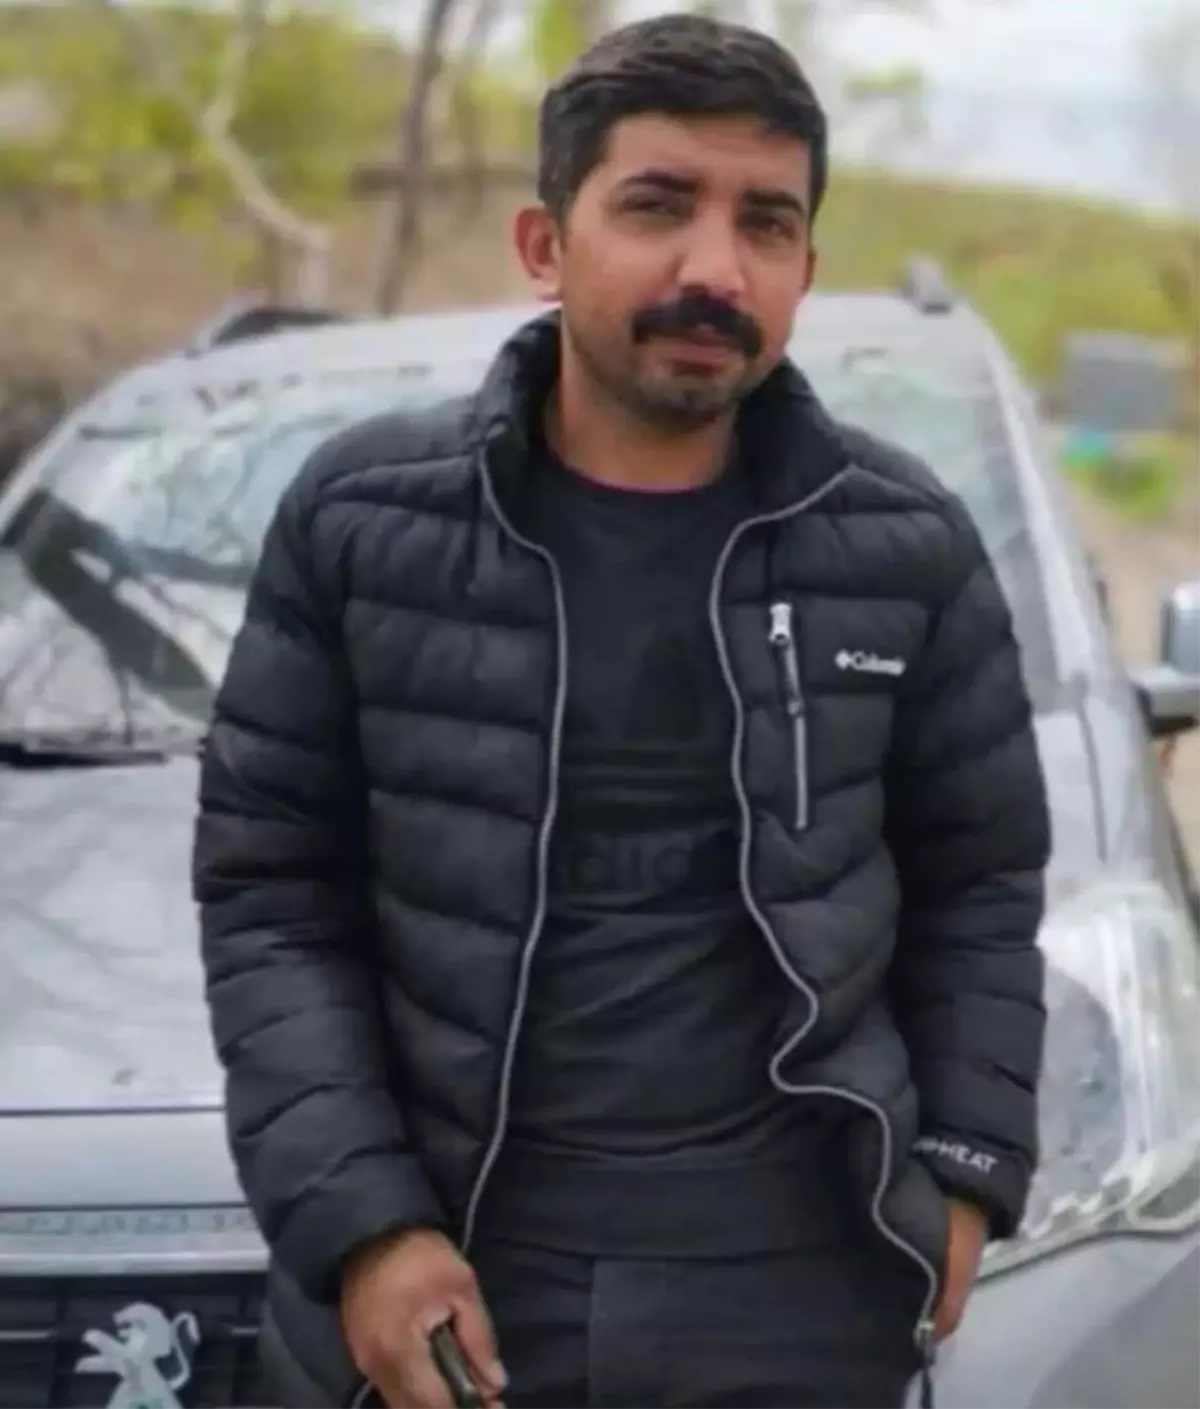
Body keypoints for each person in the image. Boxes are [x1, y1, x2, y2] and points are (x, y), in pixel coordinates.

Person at [192, 13, 1051, 1409]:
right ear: (546, 245)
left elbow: (983, 886)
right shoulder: (364, 526)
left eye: (766, 223)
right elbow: (272, 895)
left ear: (804, 269)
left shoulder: (903, 544)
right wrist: (365, 1228)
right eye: (658, 206)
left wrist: (966, 1172)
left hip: (804, 1292)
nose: (715, 268)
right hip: (462, 1281)